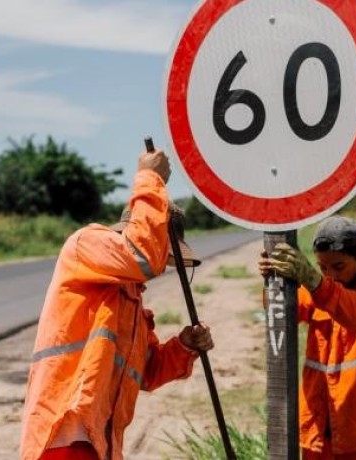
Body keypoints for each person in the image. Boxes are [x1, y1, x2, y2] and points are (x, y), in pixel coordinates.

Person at [20, 147, 214, 460]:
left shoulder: (132, 303)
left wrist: (184, 346)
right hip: (64, 434)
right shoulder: (86, 246)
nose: (160, 267)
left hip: (98, 443)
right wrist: (150, 177)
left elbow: (147, 372)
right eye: (162, 254)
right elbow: (142, 256)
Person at [258, 215, 356, 460]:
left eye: (339, 266)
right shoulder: (320, 292)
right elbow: (282, 313)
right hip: (320, 436)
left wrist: (314, 280)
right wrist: (274, 281)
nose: (331, 275)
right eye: (323, 268)